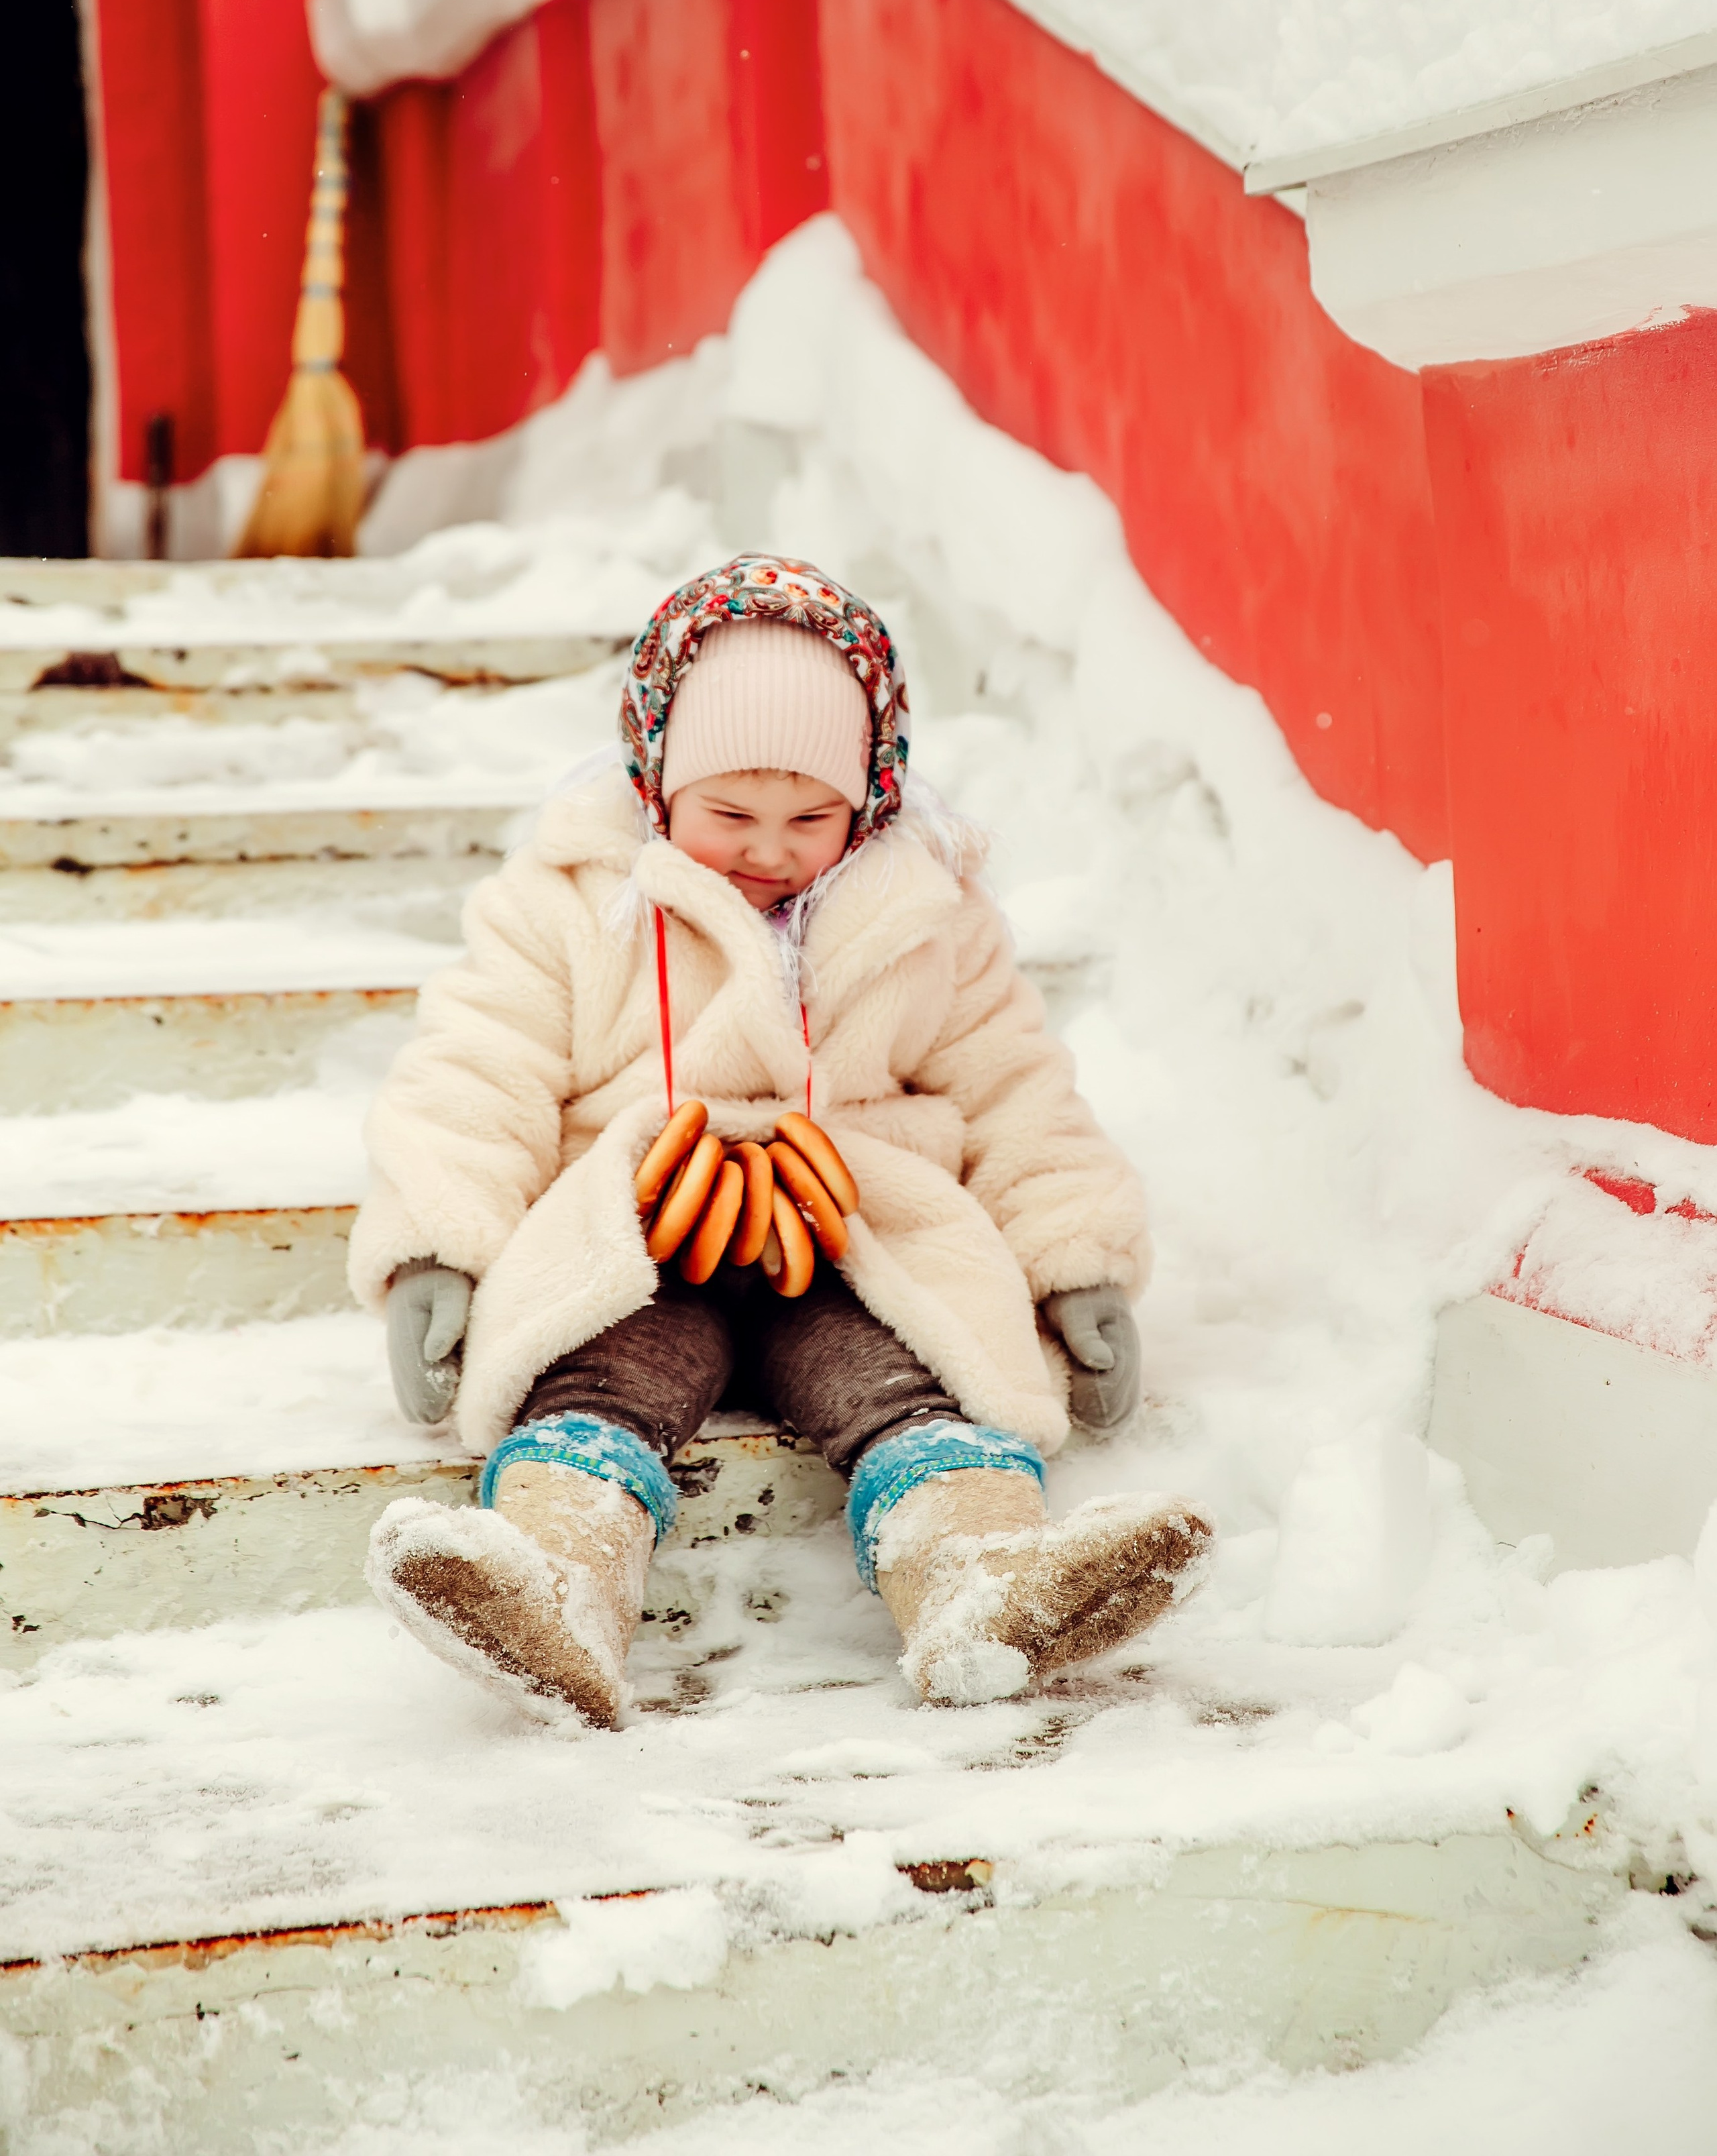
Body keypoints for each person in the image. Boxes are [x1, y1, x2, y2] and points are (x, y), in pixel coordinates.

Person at [357, 556, 1209, 1727]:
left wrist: (1076, 1260)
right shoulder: (571, 901)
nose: (769, 849)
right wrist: (436, 1244)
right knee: (602, 1378)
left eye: (813, 818)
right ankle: (556, 1579)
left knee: (909, 1384)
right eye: (729, 815)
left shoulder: (930, 919)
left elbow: (1017, 1089)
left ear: (871, 795)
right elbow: (476, 1069)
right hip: (643, 1234)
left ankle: (977, 1576)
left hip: (852, 1231)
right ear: (656, 785)